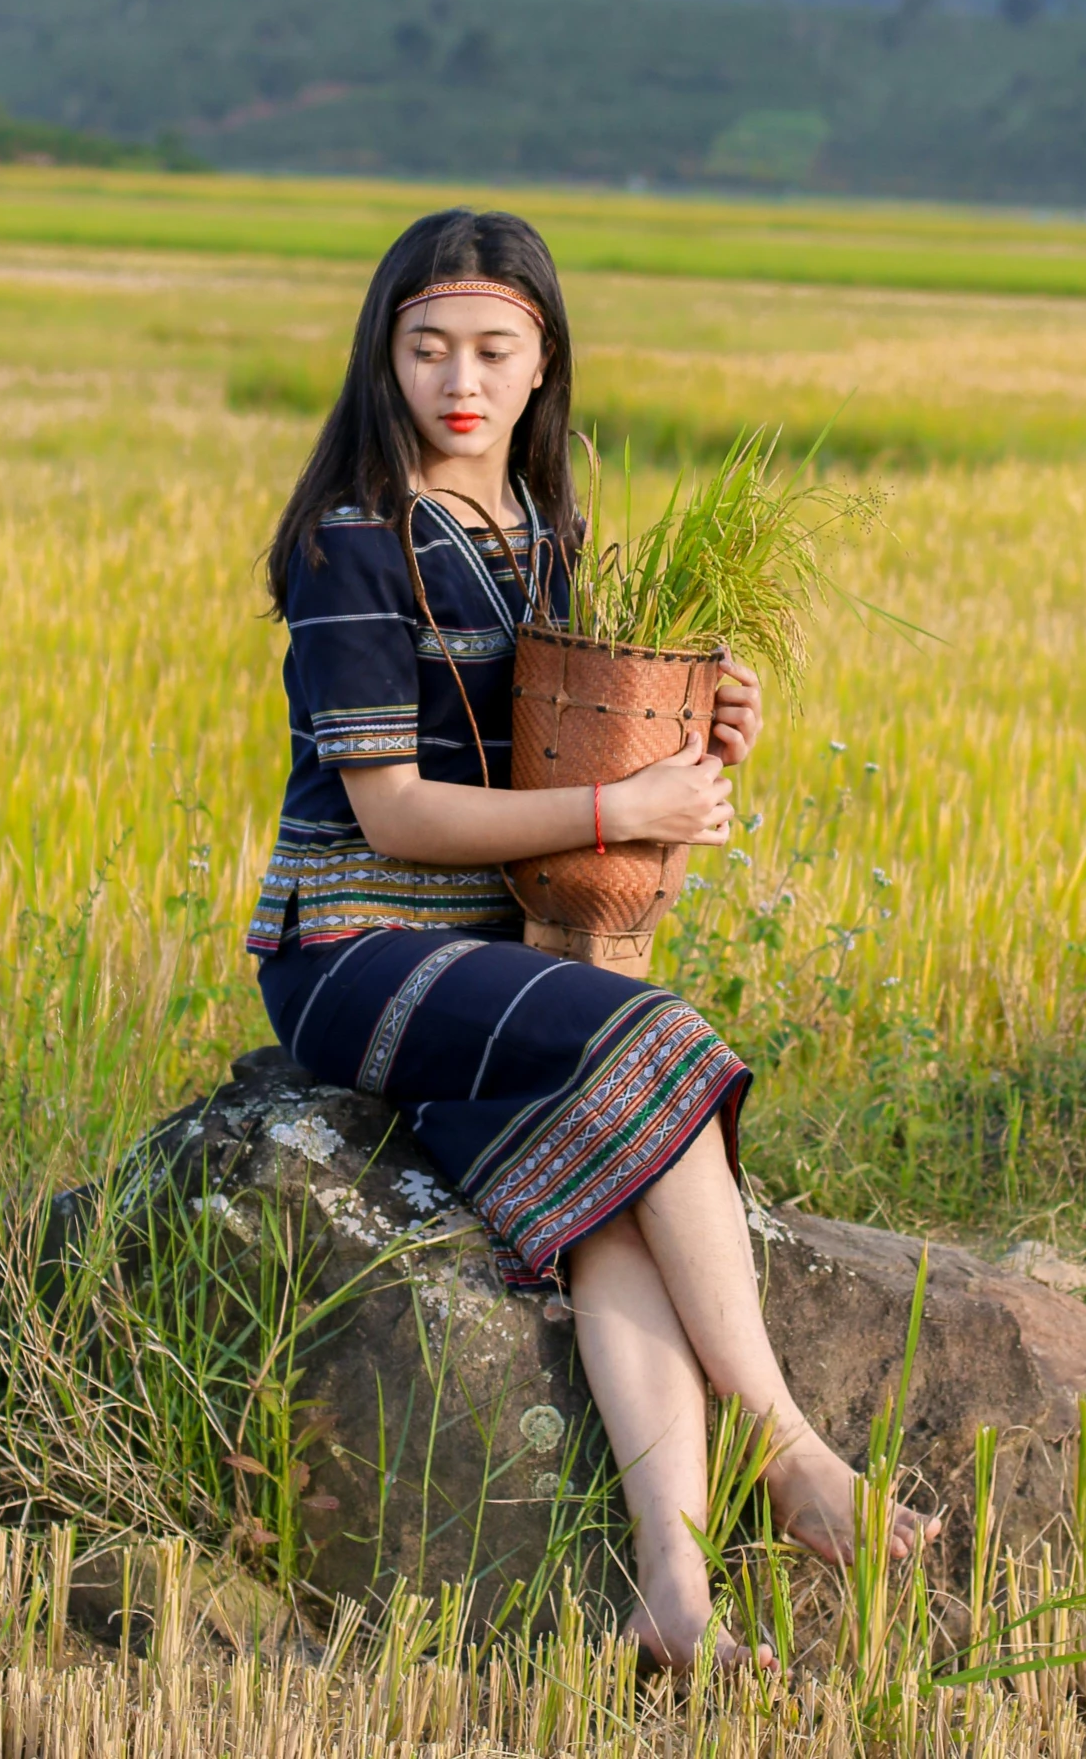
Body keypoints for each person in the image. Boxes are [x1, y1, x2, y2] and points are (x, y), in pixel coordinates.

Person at [249, 206, 934, 1670]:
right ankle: (790, 1447)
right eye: (426, 344)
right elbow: (392, 817)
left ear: (546, 359)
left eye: (495, 346)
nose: (460, 379)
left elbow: (575, 733)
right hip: (354, 953)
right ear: (383, 355)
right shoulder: (353, 549)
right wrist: (625, 792)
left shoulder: (551, 540)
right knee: (657, 1040)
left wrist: (703, 724)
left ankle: (673, 1602)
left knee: (609, 1197)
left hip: (502, 968)